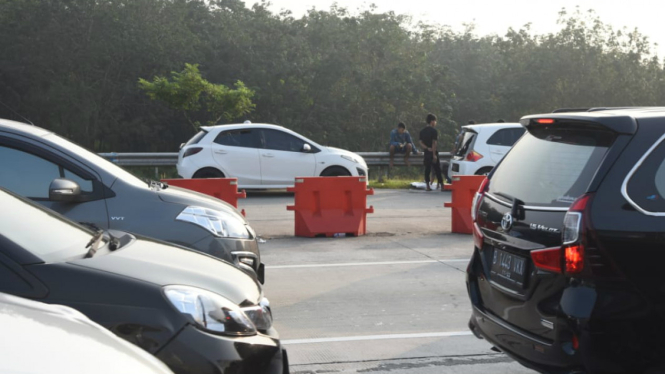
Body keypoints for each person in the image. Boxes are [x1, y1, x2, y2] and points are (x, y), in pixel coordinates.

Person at [419, 113, 443, 191]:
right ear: (432, 121)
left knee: (427, 169)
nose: (435, 123)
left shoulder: (422, 131)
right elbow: (434, 143)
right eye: (435, 121)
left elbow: (420, 142)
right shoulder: (434, 131)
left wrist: (427, 148)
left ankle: (428, 186)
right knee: (437, 169)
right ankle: (442, 185)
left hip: (426, 152)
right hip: (433, 152)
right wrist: (434, 154)